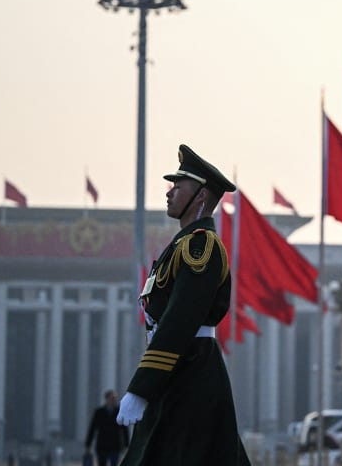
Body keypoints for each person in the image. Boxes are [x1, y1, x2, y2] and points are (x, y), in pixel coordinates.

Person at [116, 144, 251, 465]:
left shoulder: (200, 246)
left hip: (191, 372)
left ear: (201, 196)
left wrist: (142, 386)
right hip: (178, 372)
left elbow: (180, 320)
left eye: (178, 186)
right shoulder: (182, 244)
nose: (169, 192)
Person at [84, 390, 129, 466]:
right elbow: (92, 429)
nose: (114, 400)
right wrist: (88, 444)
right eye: (112, 398)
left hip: (115, 446)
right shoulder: (99, 412)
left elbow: (124, 430)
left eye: (115, 398)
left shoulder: (119, 412)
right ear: (106, 399)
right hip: (102, 445)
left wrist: (126, 445)